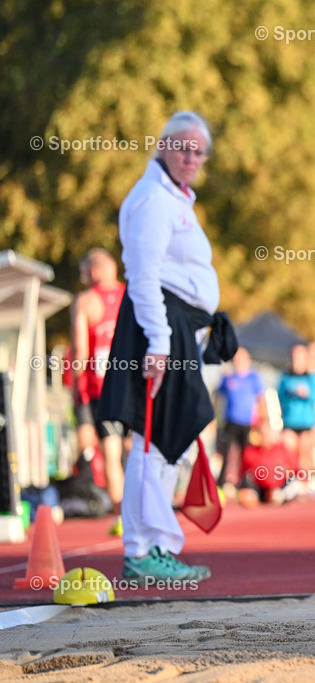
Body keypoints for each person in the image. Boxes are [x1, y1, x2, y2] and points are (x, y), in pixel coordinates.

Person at [98, 110, 235, 581]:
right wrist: (158, 341)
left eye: (199, 151)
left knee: (167, 441)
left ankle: (153, 547)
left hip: (175, 326)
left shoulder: (173, 198)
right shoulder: (153, 199)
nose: (191, 157)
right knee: (152, 439)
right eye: (183, 147)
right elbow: (143, 273)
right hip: (158, 325)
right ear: (162, 147)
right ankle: (143, 550)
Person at [69, 248, 126, 532]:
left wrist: (76, 388)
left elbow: (79, 350)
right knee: (138, 451)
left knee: (111, 454)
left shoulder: (86, 301)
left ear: (92, 271)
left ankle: (121, 515)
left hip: (103, 390)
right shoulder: (133, 296)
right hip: (135, 387)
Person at [214, 346, 266, 493]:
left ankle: (244, 482)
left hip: (248, 422)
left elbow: (261, 399)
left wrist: (262, 420)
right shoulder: (228, 378)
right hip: (230, 421)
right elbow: (218, 397)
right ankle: (221, 483)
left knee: (246, 454)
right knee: (226, 452)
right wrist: (213, 418)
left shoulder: (254, 378)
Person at [277, 343, 315, 488]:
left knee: (305, 452)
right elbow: (280, 396)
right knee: (289, 452)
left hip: (307, 422)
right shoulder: (285, 376)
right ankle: (293, 482)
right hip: (290, 421)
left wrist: (306, 394)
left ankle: (308, 481)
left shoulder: (311, 376)